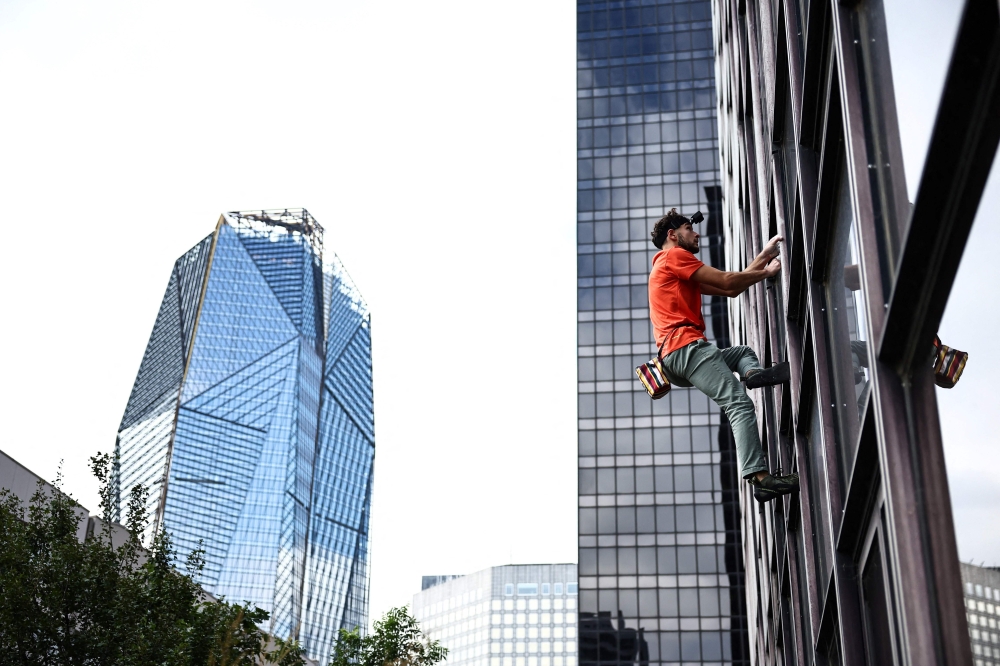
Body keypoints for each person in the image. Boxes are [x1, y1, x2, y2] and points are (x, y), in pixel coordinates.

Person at [647, 209, 799, 503]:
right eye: (690, 228)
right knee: (739, 405)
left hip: (674, 360)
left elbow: (731, 288)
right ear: (672, 234)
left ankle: (753, 374)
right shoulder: (673, 257)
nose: (696, 233)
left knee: (741, 352)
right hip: (686, 347)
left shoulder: (666, 270)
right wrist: (766, 271)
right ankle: (762, 479)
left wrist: (764, 258)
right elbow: (730, 282)